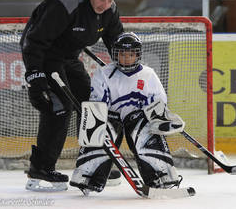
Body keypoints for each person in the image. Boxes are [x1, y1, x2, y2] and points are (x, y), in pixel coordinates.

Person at [20, 0, 124, 191]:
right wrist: (35, 75)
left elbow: (116, 42)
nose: (105, 5)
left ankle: (92, 163)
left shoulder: (110, 10)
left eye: (110, 0)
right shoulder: (64, 4)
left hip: (69, 56)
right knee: (59, 107)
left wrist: (127, 68)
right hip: (45, 55)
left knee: (92, 104)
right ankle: (41, 168)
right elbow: (34, 41)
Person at [69, 32, 185, 194]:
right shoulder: (103, 73)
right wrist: (95, 124)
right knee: (98, 127)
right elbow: (97, 107)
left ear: (138, 55)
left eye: (131, 54)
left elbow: (157, 105)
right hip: (111, 118)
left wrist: (163, 120)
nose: (126, 58)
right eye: (122, 54)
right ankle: (87, 176)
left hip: (138, 118)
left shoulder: (148, 74)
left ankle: (162, 176)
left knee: (146, 131)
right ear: (115, 54)